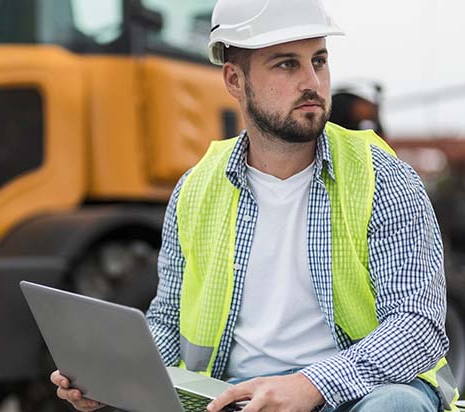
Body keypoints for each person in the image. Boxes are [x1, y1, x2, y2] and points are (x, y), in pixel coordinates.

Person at [51, 0, 459, 411]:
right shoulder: (195, 190)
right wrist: (116, 377)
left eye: (318, 61)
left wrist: (308, 385)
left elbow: (417, 328)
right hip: (234, 396)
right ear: (234, 80)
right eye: (287, 65)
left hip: (357, 392)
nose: (312, 82)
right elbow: (169, 323)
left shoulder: (383, 179)